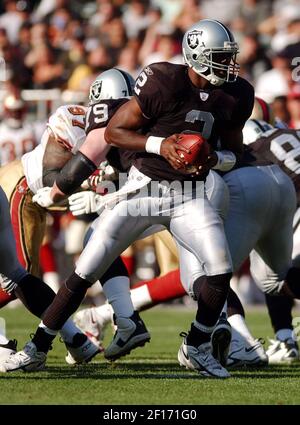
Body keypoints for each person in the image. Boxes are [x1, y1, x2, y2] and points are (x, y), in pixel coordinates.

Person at [3, 19, 254, 379]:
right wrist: (161, 145)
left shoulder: (235, 93)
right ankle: (38, 348)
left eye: (229, 57)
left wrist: (214, 159)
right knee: (85, 270)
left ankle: (196, 346)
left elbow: (236, 153)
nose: (228, 66)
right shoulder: (164, 80)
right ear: (196, 56)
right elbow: (116, 132)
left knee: (219, 270)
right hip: (143, 188)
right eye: (219, 57)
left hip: (191, 195)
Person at [0, 101, 101, 366]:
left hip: (28, 192)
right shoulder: (71, 125)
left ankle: (76, 340)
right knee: (18, 276)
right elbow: (51, 176)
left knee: (20, 276)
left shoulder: (93, 123)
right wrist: (91, 184)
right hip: (21, 189)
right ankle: (76, 339)